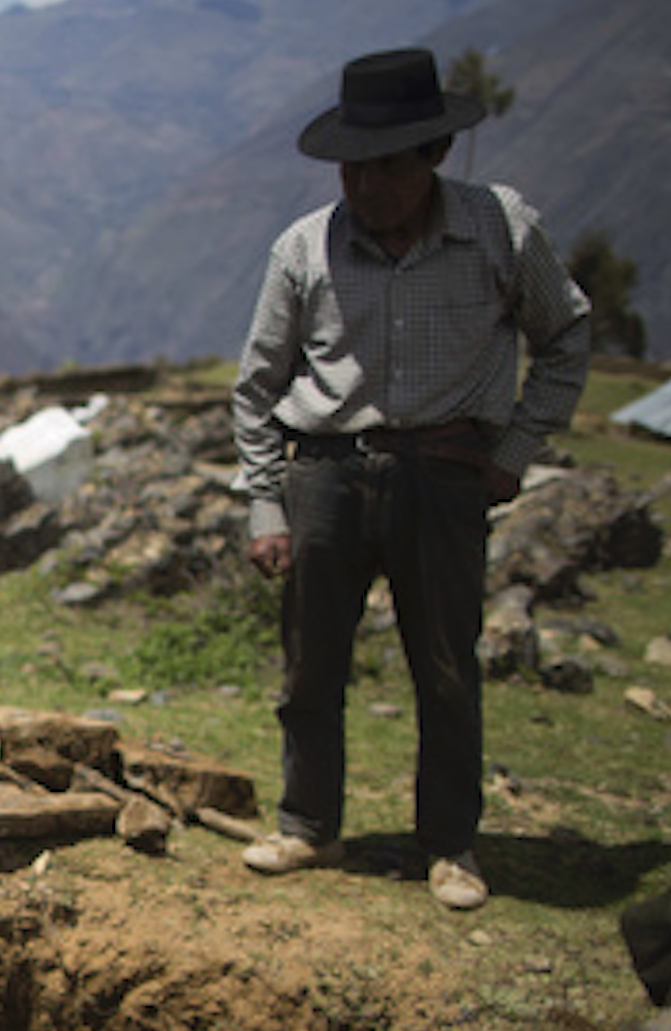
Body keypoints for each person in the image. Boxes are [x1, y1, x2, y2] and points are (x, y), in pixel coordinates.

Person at [229, 47, 592, 910]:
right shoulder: (304, 248)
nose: (366, 184)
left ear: (432, 155)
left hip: (445, 474)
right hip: (326, 475)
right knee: (310, 664)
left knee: (444, 665)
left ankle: (452, 845)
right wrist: (263, 502)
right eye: (353, 165)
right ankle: (308, 823)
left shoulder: (499, 230)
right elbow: (256, 386)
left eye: (386, 164)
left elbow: (566, 336)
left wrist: (513, 453)